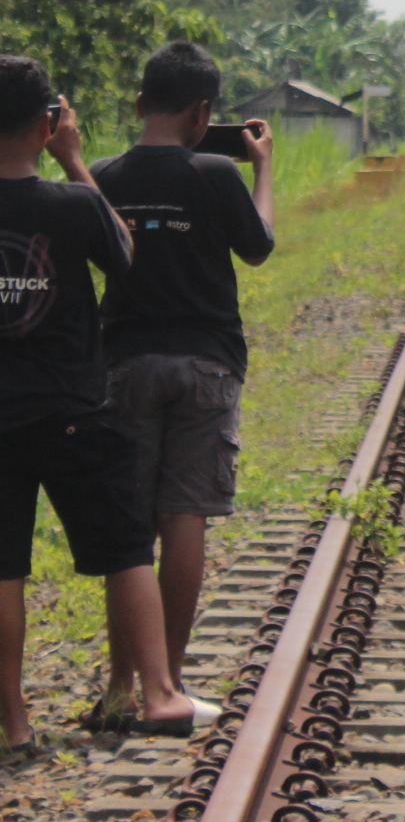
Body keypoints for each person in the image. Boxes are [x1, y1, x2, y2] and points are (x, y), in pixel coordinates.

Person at [0, 55, 204, 750]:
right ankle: (158, 692)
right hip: (72, 411)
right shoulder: (73, 202)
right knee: (123, 548)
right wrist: (76, 160)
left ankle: (16, 725)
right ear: (47, 123)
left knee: (3, 567)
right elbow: (124, 253)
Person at [92, 42, 274, 717]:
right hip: (206, 363)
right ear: (204, 112)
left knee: (128, 527)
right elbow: (257, 248)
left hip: (126, 363)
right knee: (183, 515)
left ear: (140, 104)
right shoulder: (214, 174)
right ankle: (167, 681)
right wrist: (262, 170)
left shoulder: (104, 175)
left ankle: (119, 686)